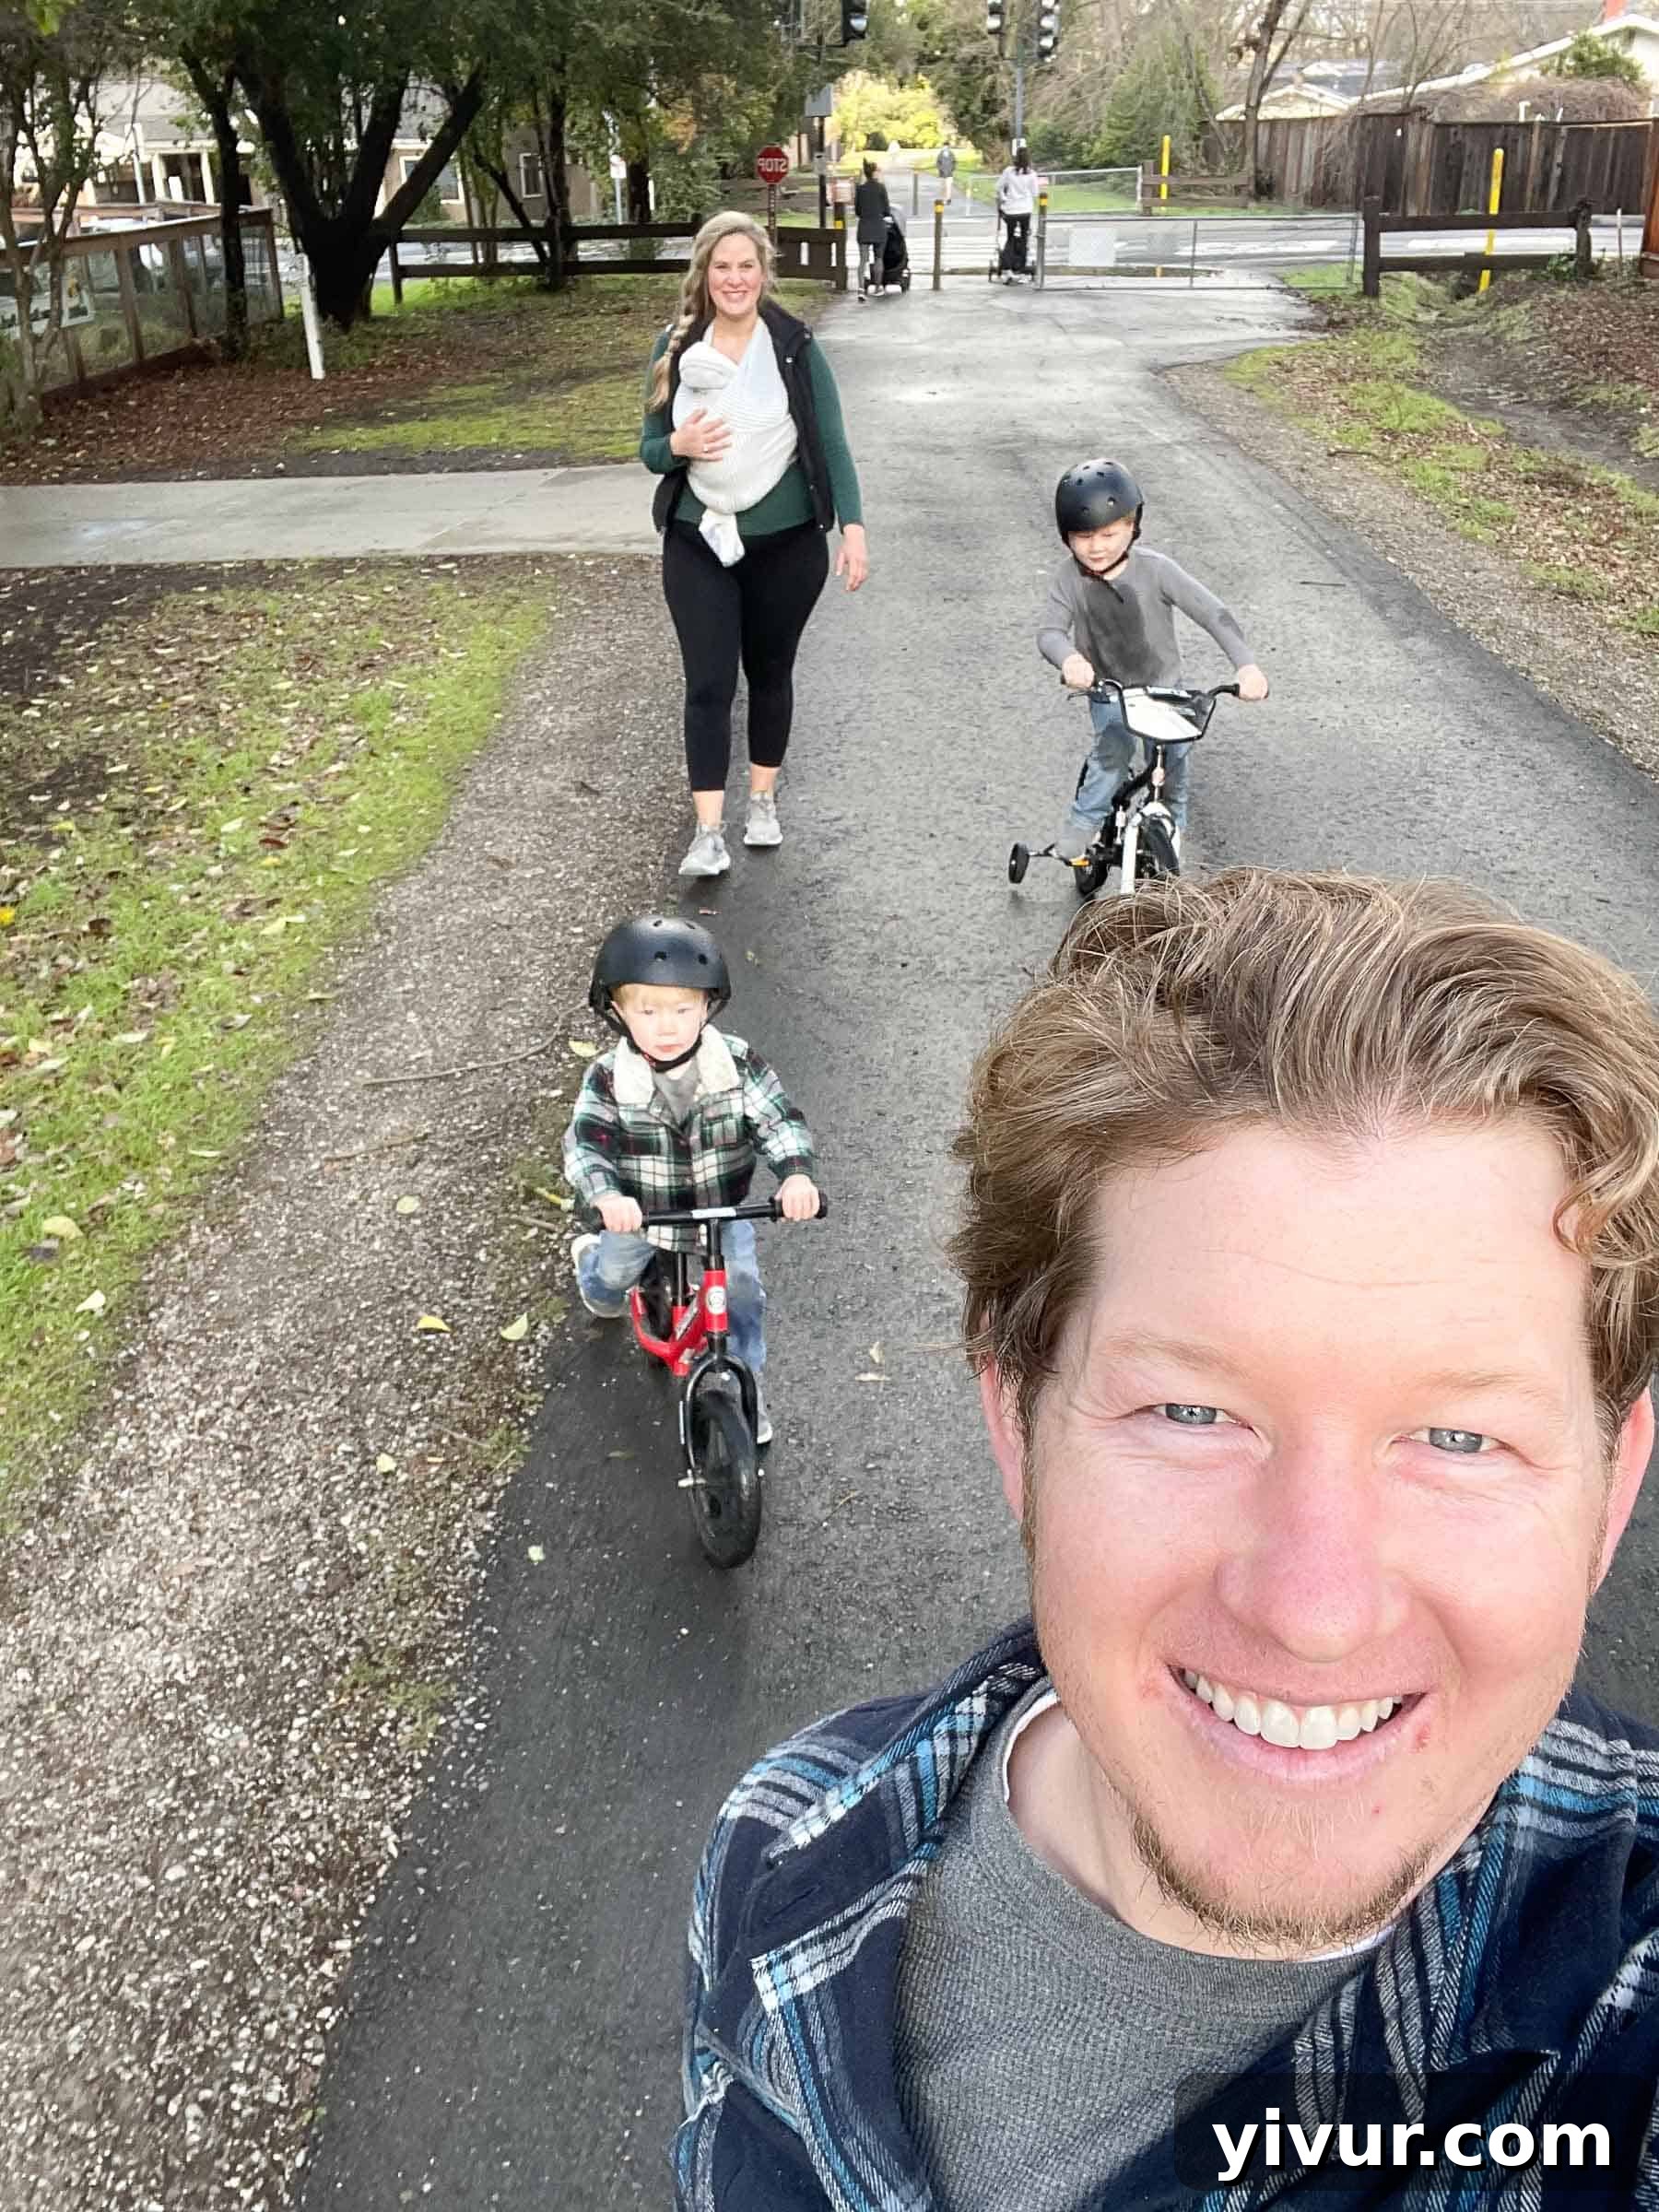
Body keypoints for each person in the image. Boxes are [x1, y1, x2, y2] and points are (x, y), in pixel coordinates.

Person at [675, 868, 1659, 2206]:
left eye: (1460, 1439)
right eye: (1192, 1411)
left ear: (1613, 1486)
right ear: (1018, 1423)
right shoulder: (783, 1832)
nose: (1314, 1606)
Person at [640, 212, 867, 880]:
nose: (734, 279)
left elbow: (832, 442)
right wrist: (675, 446)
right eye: (722, 267)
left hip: (787, 543)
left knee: (770, 674)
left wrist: (852, 528)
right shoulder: (676, 346)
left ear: (763, 272)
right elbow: (649, 448)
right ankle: (708, 831)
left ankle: (762, 800)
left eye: (746, 266)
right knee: (707, 683)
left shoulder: (794, 345)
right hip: (697, 539)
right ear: (704, 275)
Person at [563, 914, 820, 1445]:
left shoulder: (738, 1063)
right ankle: (590, 1264)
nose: (667, 1026)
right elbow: (587, 1144)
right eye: (648, 1010)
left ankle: (745, 1382)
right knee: (612, 1277)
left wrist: (795, 1176)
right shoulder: (609, 1078)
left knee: (743, 1293)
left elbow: (778, 1121)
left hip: (718, 1213)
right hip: (642, 1215)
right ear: (616, 1010)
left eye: (683, 1009)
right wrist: (607, 1195)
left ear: (709, 1005)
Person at [1041, 456, 1268, 859]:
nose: (1096, 547)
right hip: (1108, 692)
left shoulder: (1158, 571)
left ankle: (1172, 826)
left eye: (1109, 533)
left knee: (1176, 759)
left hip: (1163, 689)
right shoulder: (1068, 579)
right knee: (1113, 752)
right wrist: (1069, 660)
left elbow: (1213, 614)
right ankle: (1084, 821)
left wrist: (1246, 665)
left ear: (1132, 526)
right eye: (1083, 537)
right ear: (1066, 538)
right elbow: (1051, 633)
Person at [994, 143, 1037, 276]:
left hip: (1011, 209)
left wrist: (1004, 198)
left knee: (1011, 237)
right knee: (1024, 238)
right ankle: (1021, 267)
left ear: (1016, 158)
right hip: (1025, 209)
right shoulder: (1032, 174)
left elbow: (998, 186)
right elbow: (1035, 193)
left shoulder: (1009, 171)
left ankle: (1007, 266)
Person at [853, 157, 893, 295]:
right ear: (874, 172)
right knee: (878, 258)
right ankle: (877, 287)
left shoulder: (860, 189)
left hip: (864, 227)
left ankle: (860, 288)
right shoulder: (881, 188)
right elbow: (886, 210)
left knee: (863, 259)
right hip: (878, 228)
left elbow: (857, 211)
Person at [935, 140, 957, 207]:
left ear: (949, 147)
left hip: (949, 174)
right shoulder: (940, 154)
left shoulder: (951, 154)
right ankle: (943, 199)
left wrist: (951, 169)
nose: (945, 147)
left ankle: (948, 199)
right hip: (942, 174)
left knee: (949, 187)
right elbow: (938, 163)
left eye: (947, 146)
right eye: (944, 146)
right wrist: (940, 169)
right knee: (943, 187)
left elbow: (954, 162)